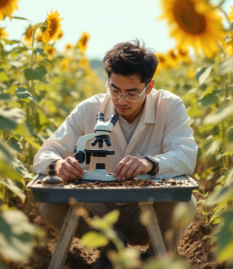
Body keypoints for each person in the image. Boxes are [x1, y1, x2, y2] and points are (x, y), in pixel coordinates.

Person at [33, 39, 198, 269]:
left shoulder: (169, 106)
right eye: (115, 90)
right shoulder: (88, 109)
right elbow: (45, 154)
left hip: (149, 211)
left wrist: (149, 163)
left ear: (149, 88)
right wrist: (58, 164)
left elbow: (187, 154)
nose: (121, 101)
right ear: (107, 81)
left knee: (186, 203)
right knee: (50, 207)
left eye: (132, 93)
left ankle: (159, 257)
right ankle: (111, 245)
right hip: (102, 213)